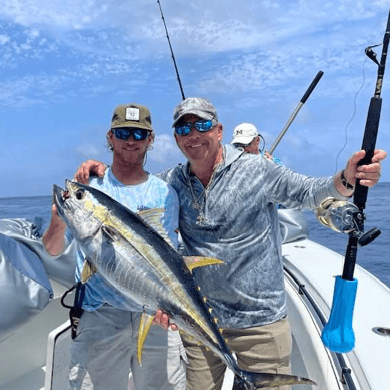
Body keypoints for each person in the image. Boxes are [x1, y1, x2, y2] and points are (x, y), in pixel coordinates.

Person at [76, 97, 386, 390]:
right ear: (175, 138)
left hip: (260, 322)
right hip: (202, 320)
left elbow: (307, 192)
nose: (193, 135)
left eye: (202, 126)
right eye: (184, 129)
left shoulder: (257, 168)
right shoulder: (171, 183)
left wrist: (346, 179)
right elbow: (131, 198)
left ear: (219, 130)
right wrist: (99, 172)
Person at [42, 103, 186, 390]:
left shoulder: (164, 193)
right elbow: (52, 249)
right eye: (123, 133)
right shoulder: (88, 190)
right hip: (100, 318)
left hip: (154, 317)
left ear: (151, 139)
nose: (130, 140)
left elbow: (167, 258)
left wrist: (171, 306)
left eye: (138, 133)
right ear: (110, 137)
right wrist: (58, 221)